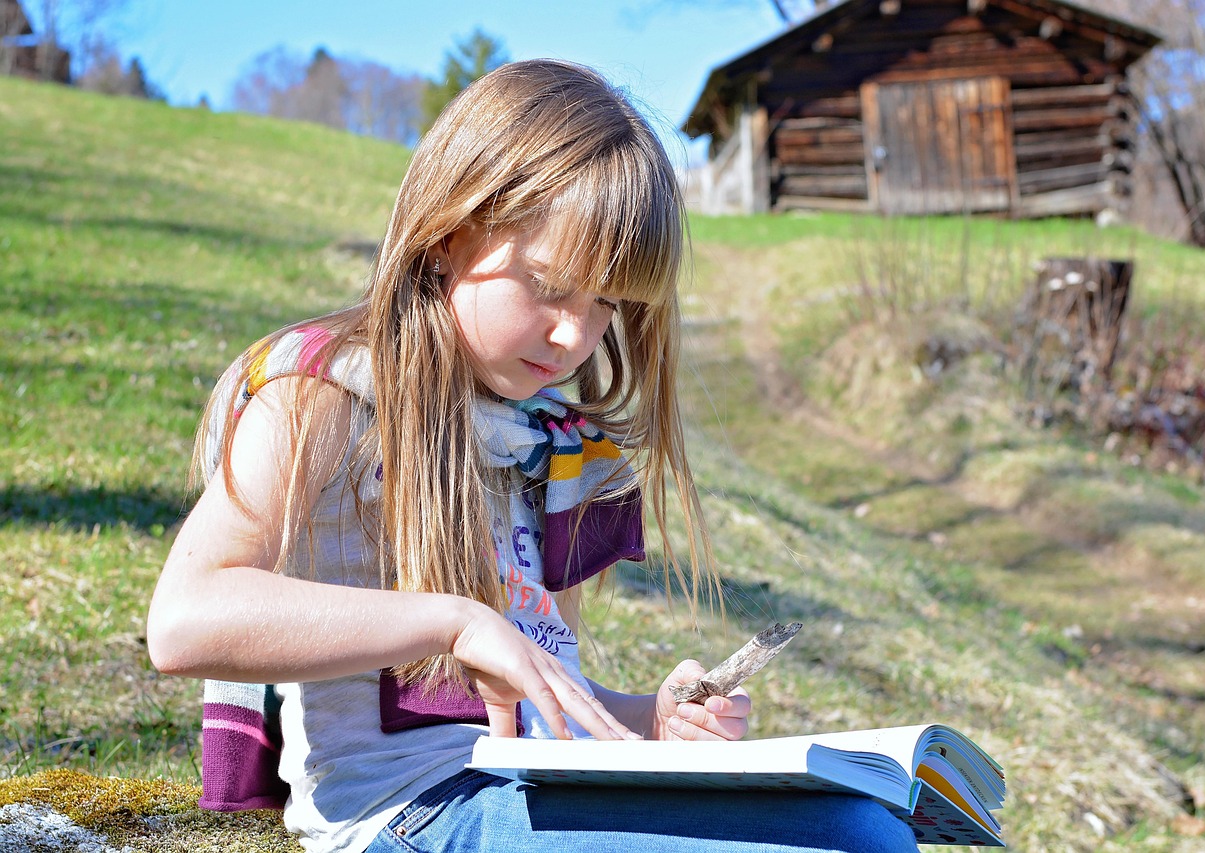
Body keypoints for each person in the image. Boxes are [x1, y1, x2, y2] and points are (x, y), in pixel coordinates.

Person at [147, 59, 918, 853]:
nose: (574, 336)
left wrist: (650, 718)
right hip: (411, 808)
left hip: (537, 785)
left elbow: (541, 698)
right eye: (549, 285)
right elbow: (184, 620)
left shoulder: (544, 441)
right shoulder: (324, 397)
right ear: (449, 234)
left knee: (862, 829)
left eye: (606, 304)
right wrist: (451, 621)